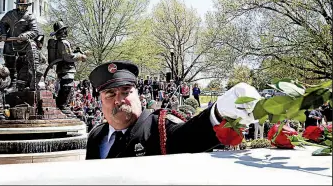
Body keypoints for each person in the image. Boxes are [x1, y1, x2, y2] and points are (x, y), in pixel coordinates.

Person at [85, 61, 261, 159]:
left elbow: (190, 135)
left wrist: (221, 111)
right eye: (110, 94)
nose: (119, 99)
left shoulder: (160, 126)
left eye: (126, 91)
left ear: (138, 94)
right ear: (100, 100)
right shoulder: (96, 135)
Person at [0, 0, 40, 92]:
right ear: (17, 5)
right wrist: (3, 34)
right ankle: (12, 84)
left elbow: (34, 31)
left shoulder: (30, 17)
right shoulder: (10, 14)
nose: (22, 7)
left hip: (24, 45)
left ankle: (33, 81)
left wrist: (25, 35)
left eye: (25, 5)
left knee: (33, 56)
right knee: (10, 64)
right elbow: (3, 23)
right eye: (21, 5)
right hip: (11, 43)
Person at [47, 20, 87, 115]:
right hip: (67, 69)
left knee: (67, 87)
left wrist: (75, 52)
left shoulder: (59, 42)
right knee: (67, 87)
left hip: (62, 68)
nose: (66, 31)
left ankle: (63, 105)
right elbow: (68, 57)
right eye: (64, 29)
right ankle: (62, 105)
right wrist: (80, 56)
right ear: (62, 31)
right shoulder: (64, 42)